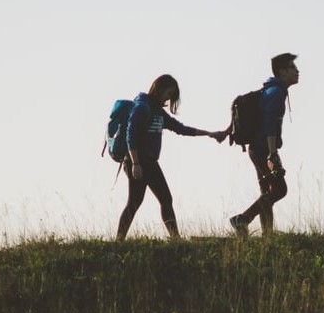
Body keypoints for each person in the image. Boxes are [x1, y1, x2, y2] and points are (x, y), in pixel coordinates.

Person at [117, 74, 226, 240]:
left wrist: (209, 134)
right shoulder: (142, 107)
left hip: (150, 162)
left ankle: (174, 238)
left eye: (171, 95)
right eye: (168, 93)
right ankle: (123, 240)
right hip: (138, 162)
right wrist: (135, 163)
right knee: (144, 201)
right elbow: (130, 136)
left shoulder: (157, 111)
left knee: (156, 200)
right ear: (159, 89)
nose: (168, 99)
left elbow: (180, 128)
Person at [229, 52, 299, 237]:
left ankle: (267, 234)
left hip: (258, 148)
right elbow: (270, 125)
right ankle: (242, 219)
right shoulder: (276, 93)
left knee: (267, 191)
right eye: (293, 67)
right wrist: (272, 154)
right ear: (282, 72)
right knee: (279, 189)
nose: (297, 71)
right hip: (262, 149)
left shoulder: (272, 90)